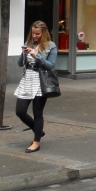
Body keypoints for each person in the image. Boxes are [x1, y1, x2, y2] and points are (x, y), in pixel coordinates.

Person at [14, 21, 58, 153]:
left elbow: (50, 65)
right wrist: (24, 54)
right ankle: (38, 130)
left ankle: (36, 142)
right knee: (20, 111)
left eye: (37, 33)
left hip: (40, 81)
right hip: (27, 79)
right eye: (33, 33)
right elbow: (20, 64)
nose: (34, 35)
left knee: (37, 112)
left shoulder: (51, 46)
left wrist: (37, 55)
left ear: (44, 33)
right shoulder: (29, 43)